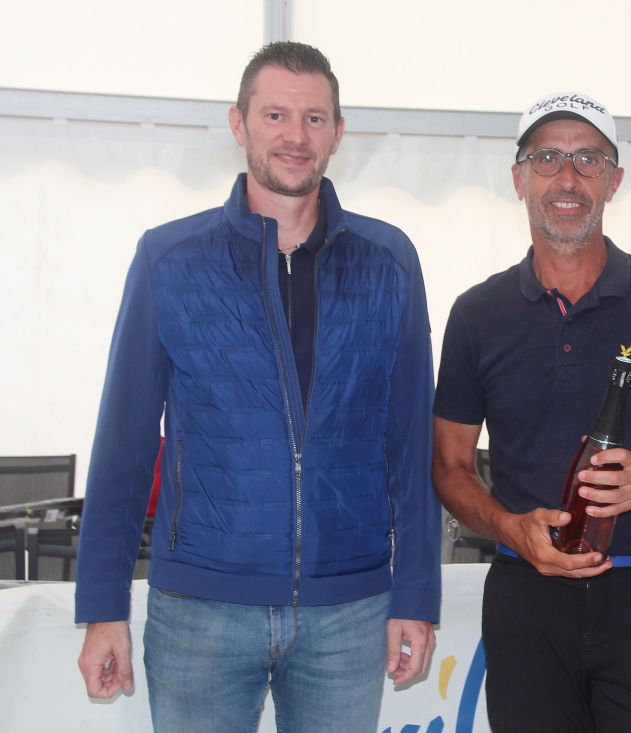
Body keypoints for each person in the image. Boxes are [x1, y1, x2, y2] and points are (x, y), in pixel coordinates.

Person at [74, 41, 440, 732]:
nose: (295, 135)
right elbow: (123, 443)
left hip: (348, 610)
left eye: (313, 118)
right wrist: (102, 606)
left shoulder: (389, 261)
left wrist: (416, 595)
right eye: (275, 115)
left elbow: (411, 444)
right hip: (200, 610)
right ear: (238, 123)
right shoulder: (169, 259)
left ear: (337, 132)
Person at [432, 91, 631, 732]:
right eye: (547, 158)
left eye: (588, 160)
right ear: (519, 177)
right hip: (526, 597)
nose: (568, 178)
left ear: (614, 180)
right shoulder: (477, 314)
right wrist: (509, 528)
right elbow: (449, 467)